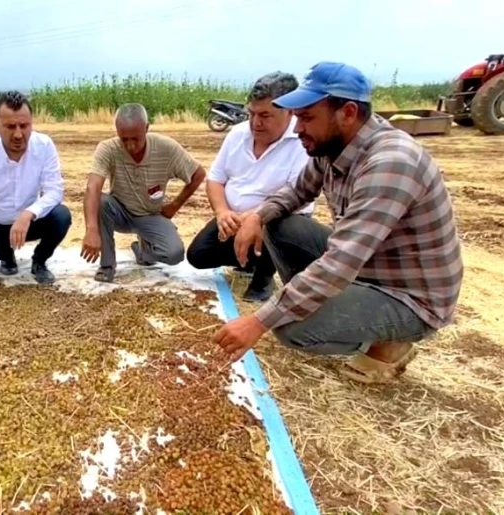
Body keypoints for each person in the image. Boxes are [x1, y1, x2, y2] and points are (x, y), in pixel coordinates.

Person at [212, 62, 464, 384]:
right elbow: (295, 193)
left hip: (406, 294)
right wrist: (257, 216)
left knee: (290, 326)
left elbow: (339, 263)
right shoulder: (332, 147)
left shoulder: (390, 163)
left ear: (346, 113)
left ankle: (389, 341)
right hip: (368, 268)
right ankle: (324, 306)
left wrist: (259, 321)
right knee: (279, 224)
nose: (298, 128)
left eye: (306, 117)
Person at [187, 71, 314, 302]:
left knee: (278, 228)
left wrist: (252, 217)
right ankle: (248, 261)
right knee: (198, 255)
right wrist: (223, 213)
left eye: (265, 115)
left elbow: (294, 197)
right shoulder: (237, 134)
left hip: (275, 221)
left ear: (289, 112)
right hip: (234, 218)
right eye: (252, 113)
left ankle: (264, 275)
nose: (256, 122)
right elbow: (215, 179)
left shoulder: (302, 141)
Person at [80, 103, 207, 282]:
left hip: (150, 215)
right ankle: (107, 265)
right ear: (116, 131)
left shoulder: (166, 148)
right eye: (124, 139)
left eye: (136, 138)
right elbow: (92, 188)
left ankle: (143, 252)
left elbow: (198, 174)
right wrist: (91, 230)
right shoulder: (107, 148)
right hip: (119, 212)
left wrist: (174, 205)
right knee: (101, 202)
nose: (130, 146)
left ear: (146, 128)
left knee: (174, 254)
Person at [0, 90, 72, 285]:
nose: (19, 134)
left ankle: (39, 261)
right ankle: (6, 254)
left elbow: (55, 191)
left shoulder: (44, 145)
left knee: (61, 216)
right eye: (10, 126)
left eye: (24, 125)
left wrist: (29, 213)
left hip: (29, 222)